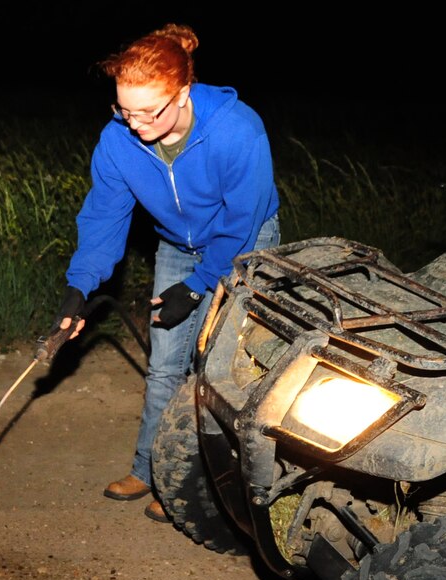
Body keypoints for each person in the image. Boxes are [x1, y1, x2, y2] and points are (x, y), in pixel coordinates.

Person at [56, 23, 280, 523]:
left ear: (182, 92)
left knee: (218, 372)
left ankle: (195, 484)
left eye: (147, 112)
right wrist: (80, 285)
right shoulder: (118, 141)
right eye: (124, 110)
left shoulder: (237, 130)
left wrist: (202, 286)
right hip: (178, 246)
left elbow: (241, 220)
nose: (134, 124)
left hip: (245, 244)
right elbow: (104, 216)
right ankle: (151, 469)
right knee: (164, 366)